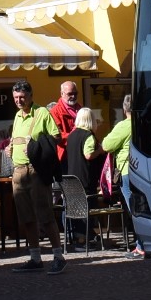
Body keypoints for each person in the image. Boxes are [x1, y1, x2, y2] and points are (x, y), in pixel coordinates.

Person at [8, 80, 65, 274]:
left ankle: (58, 256)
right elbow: (17, 139)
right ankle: (35, 258)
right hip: (18, 171)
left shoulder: (42, 113)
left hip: (36, 171)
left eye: (22, 97)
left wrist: (36, 146)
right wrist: (11, 147)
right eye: (16, 97)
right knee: (26, 218)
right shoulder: (17, 116)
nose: (19, 100)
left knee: (45, 215)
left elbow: (56, 137)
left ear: (31, 96)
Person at [102, 94, 144, 258]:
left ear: (124, 109)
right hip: (144, 171)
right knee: (144, 209)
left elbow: (107, 144)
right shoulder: (143, 124)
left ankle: (141, 247)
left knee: (134, 210)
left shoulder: (124, 125)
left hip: (127, 171)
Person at [62, 106, 101, 251]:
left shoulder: (71, 136)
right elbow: (88, 154)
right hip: (85, 180)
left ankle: (80, 239)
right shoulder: (88, 135)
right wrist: (100, 150)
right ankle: (84, 240)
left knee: (76, 210)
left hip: (72, 179)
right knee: (87, 209)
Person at [47, 81, 80, 160]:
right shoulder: (55, 112)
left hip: (80, 151)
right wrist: (79, 138)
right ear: (62, 94)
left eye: (75, 93)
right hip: (65, 154)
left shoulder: (81, 109)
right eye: (70, 94)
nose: (73, 96)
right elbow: (58, 135)